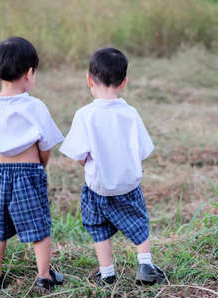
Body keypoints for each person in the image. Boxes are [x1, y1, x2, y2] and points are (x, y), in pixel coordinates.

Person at [60, 47, 166, 285]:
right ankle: (145, 264)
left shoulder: (85, 115)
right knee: (139, 223)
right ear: (124, 83)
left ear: (89, 79)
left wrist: (88, 164)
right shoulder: (130, 113)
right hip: (128, 186)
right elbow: (142, 150)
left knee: (98, 229)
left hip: (97, 186)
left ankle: (107, 273)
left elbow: (79, 154)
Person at [0, 37, 64, 291]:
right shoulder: (35, 106)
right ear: (29, 73)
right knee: (39, 225)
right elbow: (46, 146)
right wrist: (40, 165)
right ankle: (44, 276)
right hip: (29, 173)